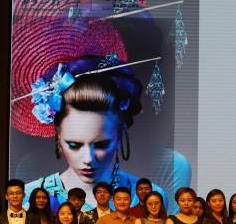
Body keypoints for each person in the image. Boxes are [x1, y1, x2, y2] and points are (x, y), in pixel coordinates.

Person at [20, 55, 171, 212]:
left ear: (119, 136)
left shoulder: (150, 197)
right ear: (58, 137)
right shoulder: (27, 196)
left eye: (101, 144)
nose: (88, 159)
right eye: (74, 145)